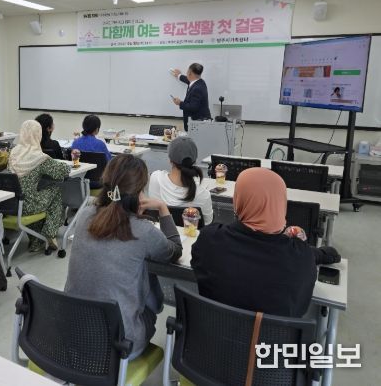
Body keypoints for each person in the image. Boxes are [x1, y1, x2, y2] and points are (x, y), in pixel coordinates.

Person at [65, 154, 182, 358]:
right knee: (145, 279)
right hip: (119, 345)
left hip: (73, 332)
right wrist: (163, 208)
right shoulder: (143, 231)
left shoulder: (85, 214)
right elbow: (175, 250)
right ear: (139, 191)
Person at [191, 168, 341, 317]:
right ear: (281, 203)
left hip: (213, 329)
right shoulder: (300, 257)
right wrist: (301, 247)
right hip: (271, 334)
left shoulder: (209, 240)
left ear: (237, 200)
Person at [8, 120, 70, 252]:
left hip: (11, 204)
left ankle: (36, 241)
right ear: (38, 135)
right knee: (55, 191)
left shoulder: (13, 153)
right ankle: (49, 233)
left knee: (38, 195)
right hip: (29, 205)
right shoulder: (39, 157)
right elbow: (62, 171)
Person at [148, 137, 213, 225]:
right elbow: (208, 223)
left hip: (161, 233)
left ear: (170, 160)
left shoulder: (155, 178)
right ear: (194, 161)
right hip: (191, 234)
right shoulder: (203, 194)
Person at [170, 63, 211, 132]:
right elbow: (188, 80)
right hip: (198, 124)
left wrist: (180, 103)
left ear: (190, 73)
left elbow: (193, 107)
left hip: (197, 125)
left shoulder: (197, 88)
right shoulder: (200, 82)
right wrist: (179, 76)